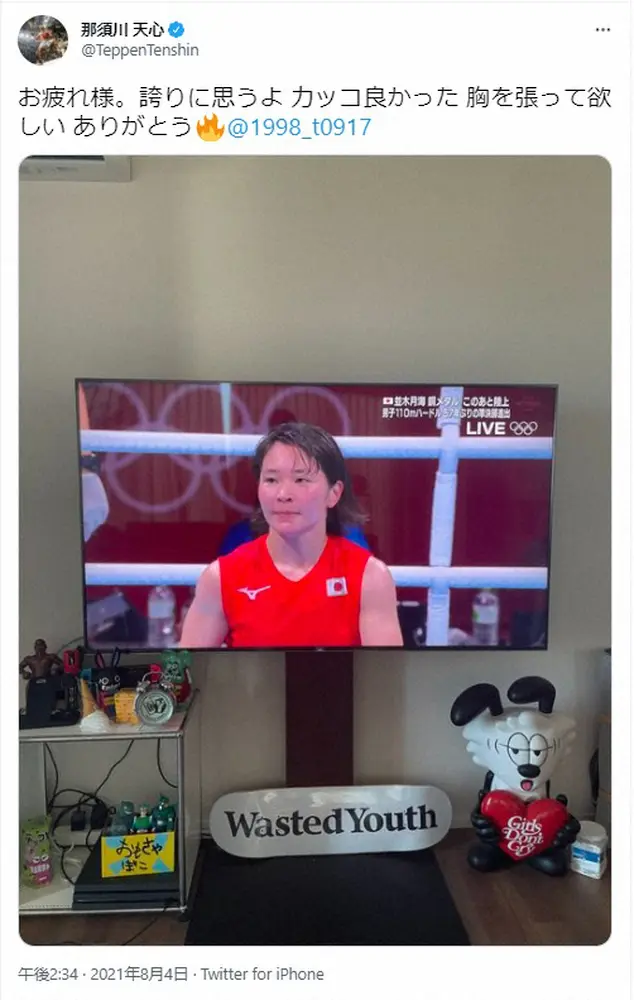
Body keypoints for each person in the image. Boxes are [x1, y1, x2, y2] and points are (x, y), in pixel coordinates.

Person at [181, 422, 404, 648]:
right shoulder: (220, 578)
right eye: (271, 480)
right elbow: (181, 668)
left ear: (334, 493)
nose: (283, 494)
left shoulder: (370, 577)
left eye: (301, 480)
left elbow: (386, 671)